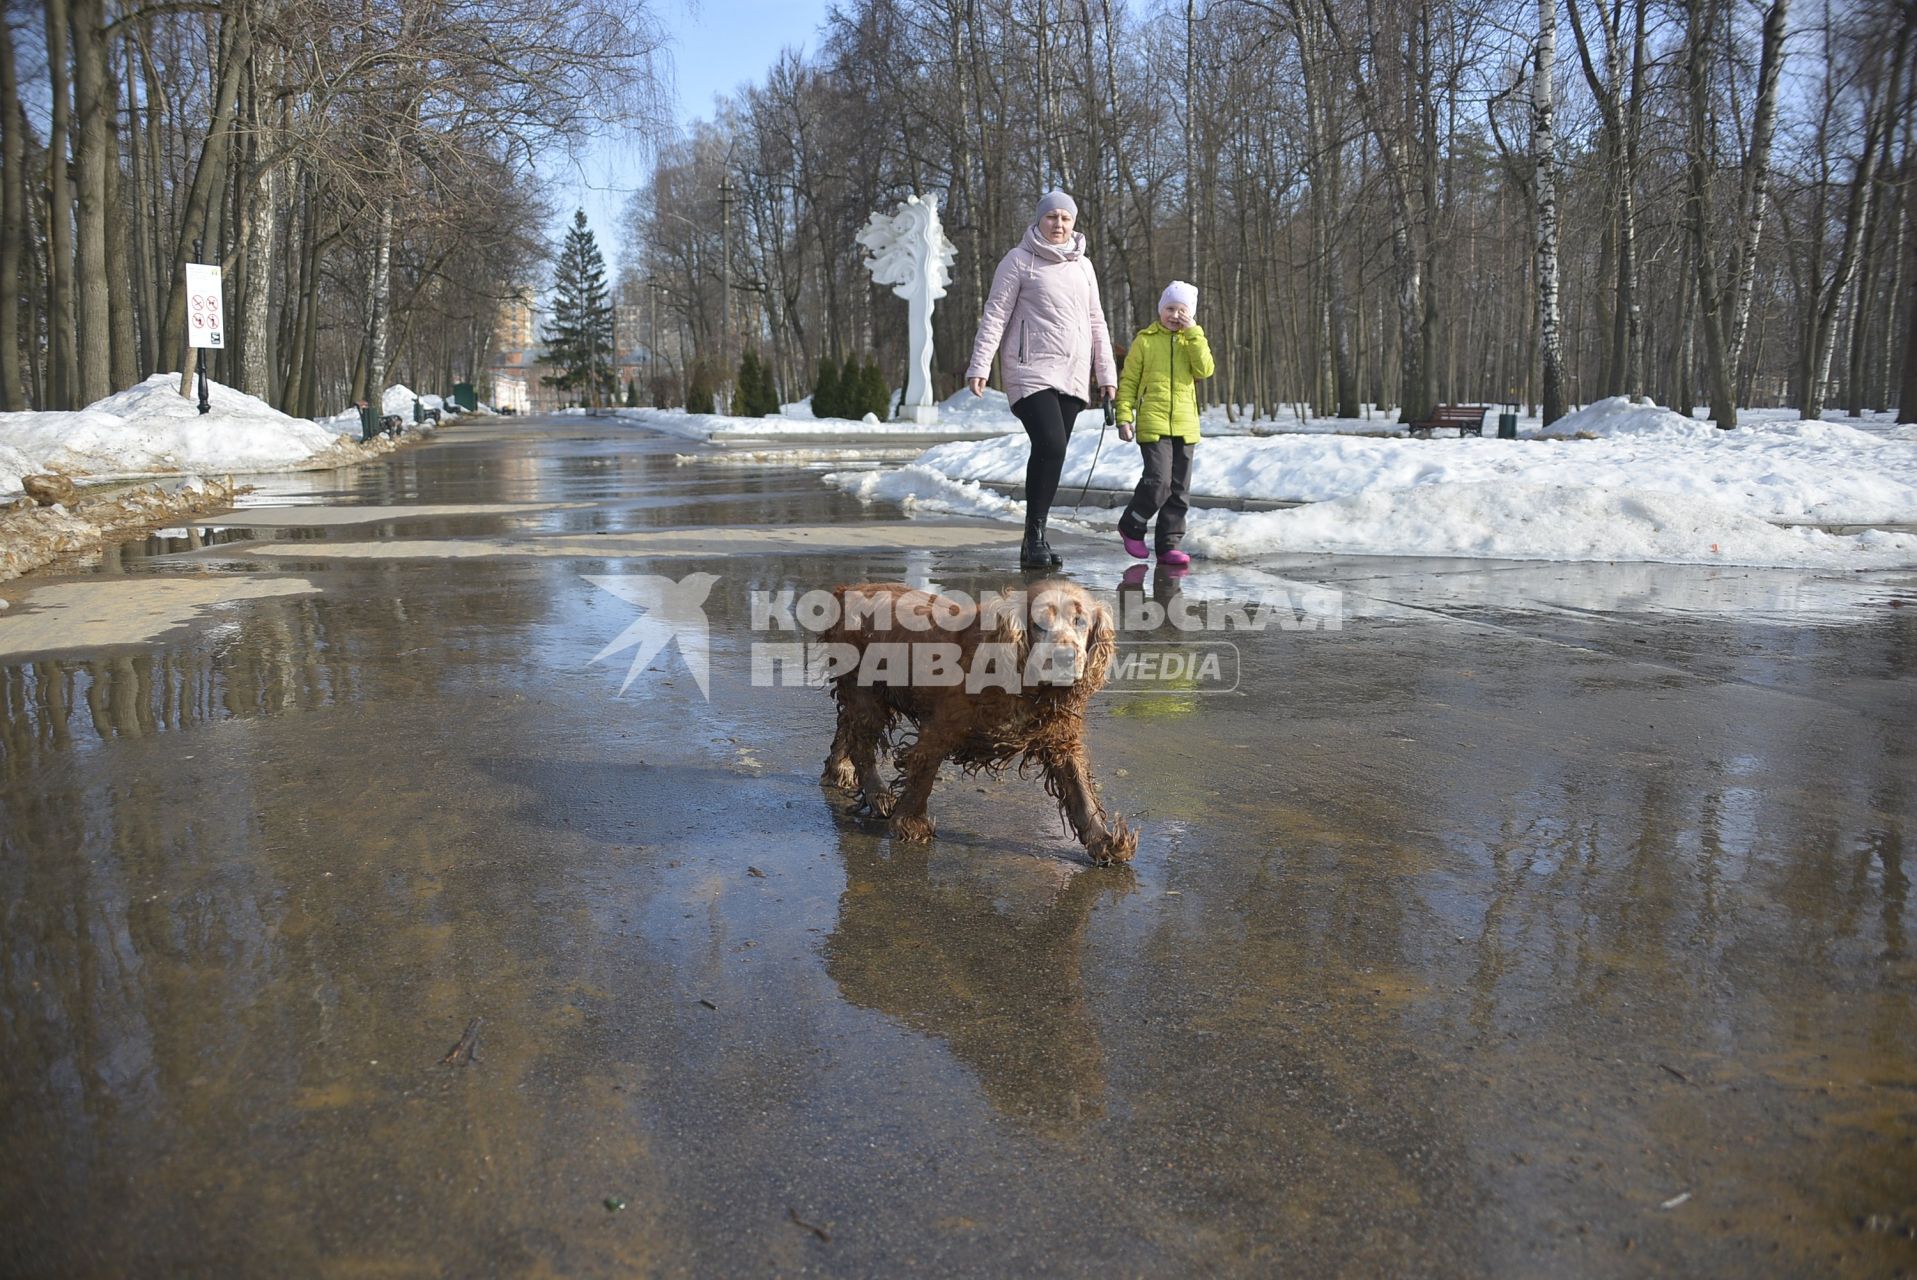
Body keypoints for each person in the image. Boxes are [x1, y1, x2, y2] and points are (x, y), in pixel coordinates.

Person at [966, 191, 1117, 570]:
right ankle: (1034, 536)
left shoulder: (1085, 267)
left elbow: (1097, 322)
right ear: (1039, 220)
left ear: (1074, 224)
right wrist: (980, 365)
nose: (1059, 225)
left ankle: (1035, 536)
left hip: (1073, 372)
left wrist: (1107, 376)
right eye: (1052, 217)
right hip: (1029, 368)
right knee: (1050, 444)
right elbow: (996, 314)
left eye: (1066, 218)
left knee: (1054, 453)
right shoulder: (1018, 261)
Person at [1113, 280, 1214, 567]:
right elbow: (1129, 381)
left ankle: (1169, 545)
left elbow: (1205, 369)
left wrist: (1193, 332)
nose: (1175, 315)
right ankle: (1132, 524)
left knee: (1179, 489)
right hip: (1153, 423)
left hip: (1186, 425)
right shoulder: (1145, 340)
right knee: (1159, 482)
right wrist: (1124, 416)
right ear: (1161, 310)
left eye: (1182, 311)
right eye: (1170, 308)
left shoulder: (1192, 339)